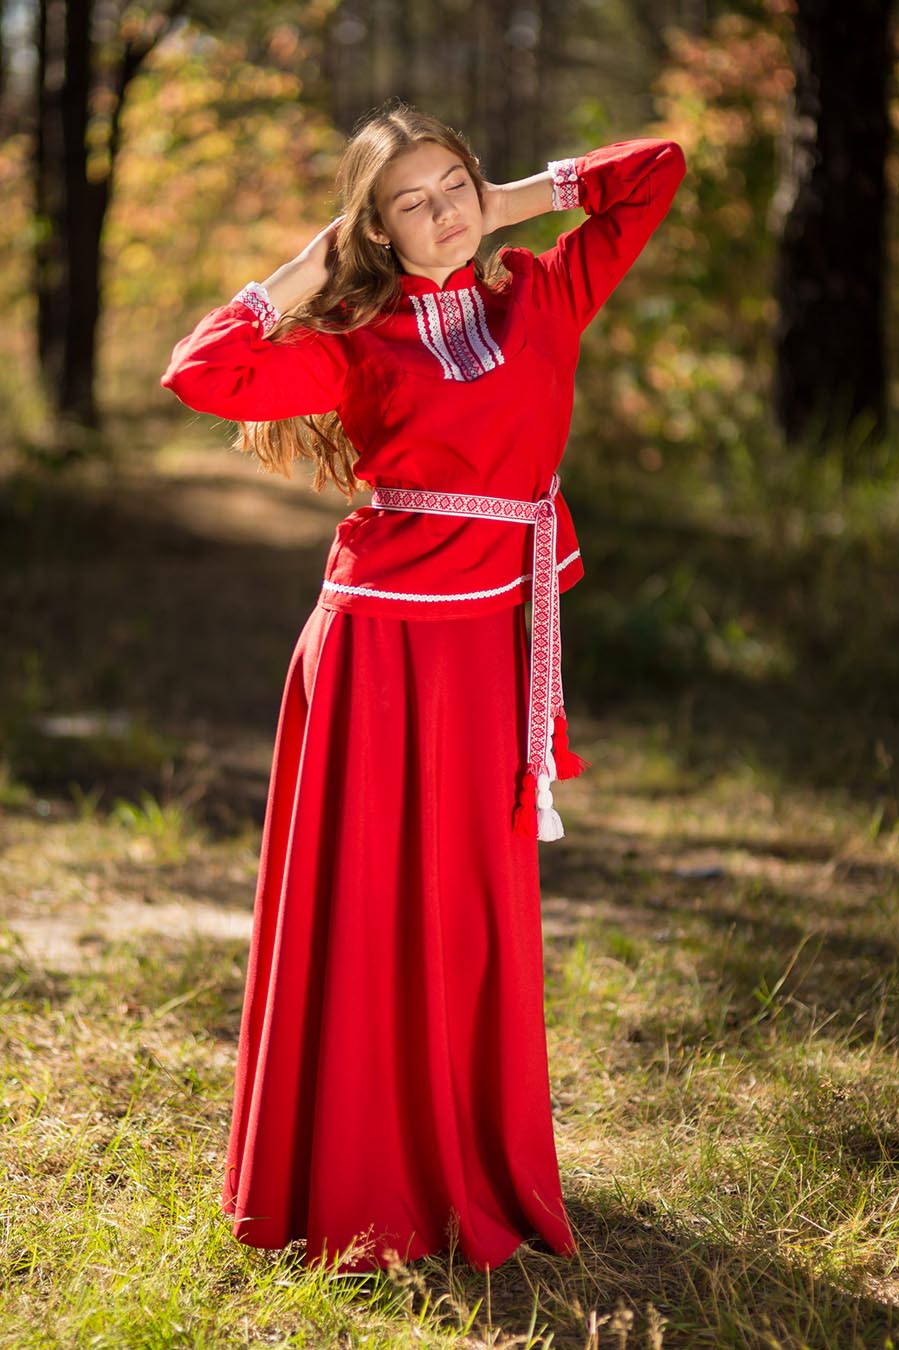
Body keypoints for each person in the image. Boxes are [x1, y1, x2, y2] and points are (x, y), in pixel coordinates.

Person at [160, 99, 686, 1274]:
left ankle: (467, 1156)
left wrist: (512, 205)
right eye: (413, 201)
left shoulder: (543, 294)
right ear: (379, 228)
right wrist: (306, 267)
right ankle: (354, 1178)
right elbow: (200, 374)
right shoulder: (357, 340)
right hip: (377, 650)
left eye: (454, 185)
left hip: (488, 645)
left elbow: (656, 168)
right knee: (366, 906)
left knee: (468, 911)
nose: (442, 213)